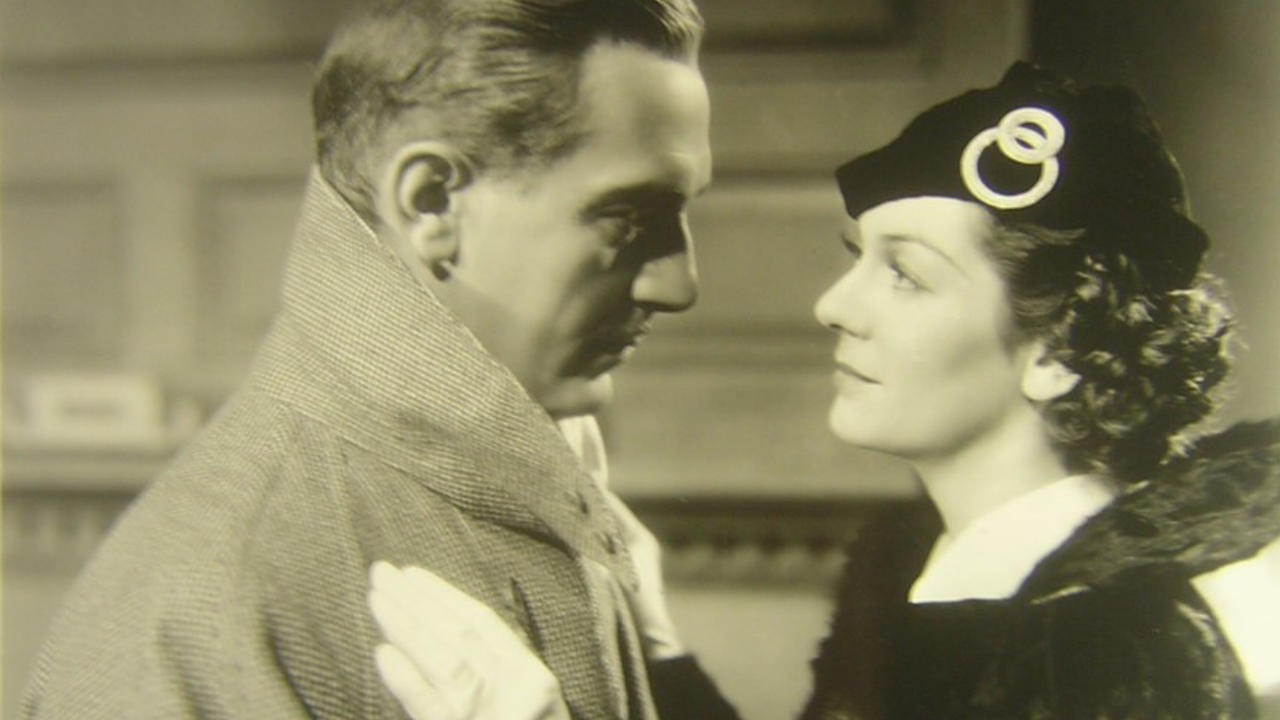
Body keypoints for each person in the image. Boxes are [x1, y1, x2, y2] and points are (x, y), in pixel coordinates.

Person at [369, 62, 1280, 718]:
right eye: (857, 260)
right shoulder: (927, 573)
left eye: (906, 276)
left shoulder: (1122, 653)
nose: (834, 306)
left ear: (1059, 349)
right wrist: (655, 641)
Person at [20, 0, 717, 717]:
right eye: (629, 218)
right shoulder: (200, 600)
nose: (680, 285)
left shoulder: (530, 473)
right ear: (431, 203)